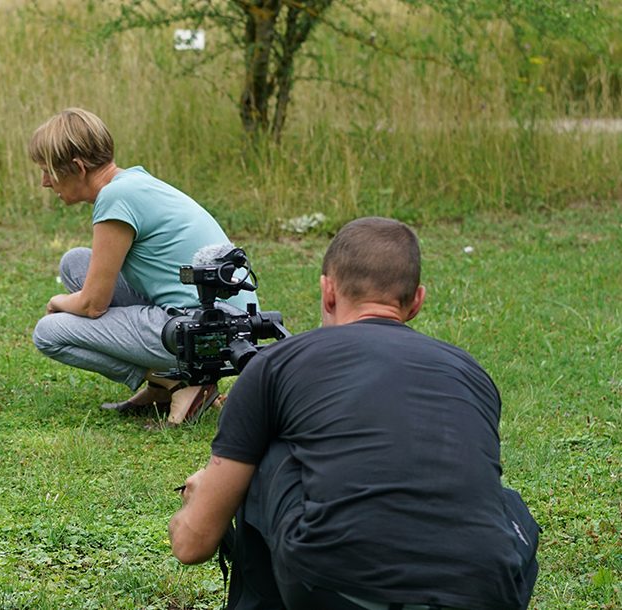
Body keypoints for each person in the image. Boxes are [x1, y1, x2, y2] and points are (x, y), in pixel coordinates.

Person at [168, 217, 540, 609]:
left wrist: (201, 496)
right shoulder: (469, 371)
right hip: (486, 591)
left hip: (337, 589)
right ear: (416, 302)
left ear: (327, 291)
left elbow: (192, 545)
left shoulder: (275, 365)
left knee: (266, 456)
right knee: (506, 503)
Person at [29, 107, 258, 425]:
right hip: (233, 322)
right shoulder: (132, 182)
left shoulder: (115, 198)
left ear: (78, 168)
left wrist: (58, 302)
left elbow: (93, 305)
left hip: (208, 332)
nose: (44, 182)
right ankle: (163, 386)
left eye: (48, 171)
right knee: (75, 263)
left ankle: (180, 381)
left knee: (48, 332)